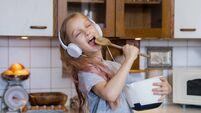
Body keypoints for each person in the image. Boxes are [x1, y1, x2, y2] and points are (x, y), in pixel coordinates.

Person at [59, 12, 172, 113]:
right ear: (74, 48)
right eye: (78, 34)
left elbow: (136, 89)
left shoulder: (114, 66)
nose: (87, 32)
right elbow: (110, 94)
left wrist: (164, 88)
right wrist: (128, 60)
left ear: (97, 28)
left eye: (88, 25)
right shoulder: (86, 72)